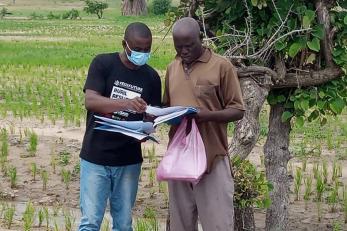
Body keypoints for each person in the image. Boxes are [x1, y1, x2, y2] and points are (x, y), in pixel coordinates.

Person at [163, 17, 245, 230]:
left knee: (217, 224)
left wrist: (206, 115)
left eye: (189, 45)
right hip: (179, 158)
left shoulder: (221, 66)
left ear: (200, 38)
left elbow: (237, 110)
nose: (184, 51)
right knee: (180, 224)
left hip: (212, 157)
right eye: (178, 46)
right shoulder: (172, 68)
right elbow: (166, 106)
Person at [78, 22, 161, 231]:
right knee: (90, 222)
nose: (142, 53)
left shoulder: (151, 77)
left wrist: (147, 129)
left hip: (128, 160)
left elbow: (152, 117)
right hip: (95, 157)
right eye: (137, 49)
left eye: (147, 49)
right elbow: (91, 101)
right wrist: (126, 103)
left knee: (124, 224)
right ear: (124, 44)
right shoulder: (103, 64)